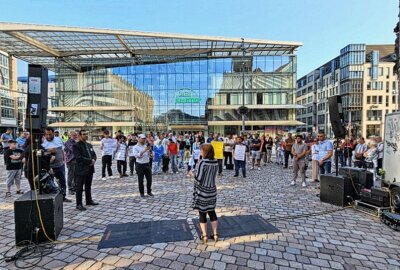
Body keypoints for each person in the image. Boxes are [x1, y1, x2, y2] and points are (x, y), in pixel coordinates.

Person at [192, 143, 219, 244]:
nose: (201, 152)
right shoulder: (215, 161)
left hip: (202, 190)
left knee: (202, 213)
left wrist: (192, 173)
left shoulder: (203, 162)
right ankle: (215, 234)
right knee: (212, 211)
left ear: (205, 152)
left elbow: (198, 178)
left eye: (201, 150)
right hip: (212, 189)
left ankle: (204, 235)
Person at [42, 127, 71, 202]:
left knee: (62, 182)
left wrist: (64, 161)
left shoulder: (58, 139)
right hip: (48, 166)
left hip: (60, 165)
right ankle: (51, 198)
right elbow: (41, 153)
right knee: (49, 183)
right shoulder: (42, 141)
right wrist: (49, 151)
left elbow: (62, 150)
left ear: (53, 133)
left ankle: (63, 197)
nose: (48, 136)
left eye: (50, 134)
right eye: (46, 134)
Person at [72, 130, 98, 211]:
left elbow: (94, 154)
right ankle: (78, 204)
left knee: (88, 186)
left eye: (87, 134)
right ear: (80, 136)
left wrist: (93, 160)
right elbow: (79, 157)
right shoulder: (76, 145)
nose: (86, 135)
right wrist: (90, 161)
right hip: (81, 169)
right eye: (84, 134)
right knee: (79, 187)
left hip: (90, 169)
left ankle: (89, 200)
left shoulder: (89, 145)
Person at [64, 131, 78, 195]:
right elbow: (73, 149)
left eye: (76, 135)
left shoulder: (75, 142)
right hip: (70, 161)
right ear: (71, 135)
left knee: (75, 175)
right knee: (70, 175)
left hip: (75, 161)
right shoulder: (69, 142)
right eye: (74, 135)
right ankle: (70, 189)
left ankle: (74, 187)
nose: (76, 136)